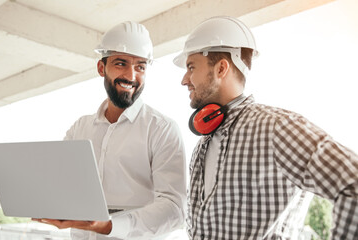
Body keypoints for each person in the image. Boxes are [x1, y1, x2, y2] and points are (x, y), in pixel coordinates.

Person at [173, 16, 358, 239]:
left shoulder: (278, 128)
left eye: (191, 67)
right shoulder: (203, 145)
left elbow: (353, 183)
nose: (184, 79)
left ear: (221, 68)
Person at [33, 21, 187, 240]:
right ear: (101, 68)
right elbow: (62, 186)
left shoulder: (162, 129)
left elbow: (175, 209)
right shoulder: (80, 128)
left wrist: (110, 225)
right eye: (121, 63)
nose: (131, 76)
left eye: (140, 66)